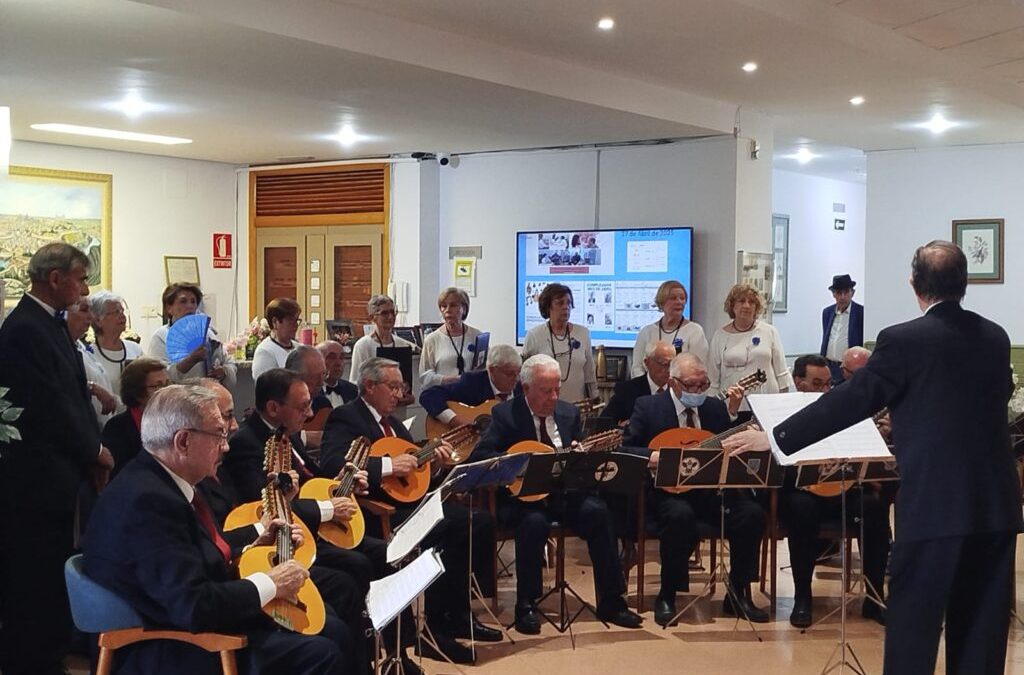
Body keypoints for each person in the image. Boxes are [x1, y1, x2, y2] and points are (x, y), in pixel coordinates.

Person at [723, 241, 1022, 675]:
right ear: (964, 283)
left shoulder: (903, 340)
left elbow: (851, 401)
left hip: (934, 505)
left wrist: (776, 436)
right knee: (981, 637)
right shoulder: (995, 337)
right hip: (995, 505)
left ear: (914, 284)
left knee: (914, 630)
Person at [82, 385, 349, 675]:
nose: (226, 446)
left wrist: (254, 543)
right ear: (183, 441)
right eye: (218, 435)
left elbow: (190, 555)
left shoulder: (159, 482)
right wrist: (272, 583)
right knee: (322, 653)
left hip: (178, 626)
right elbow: (193, 605)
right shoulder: (148, 502)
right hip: (166, 647)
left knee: (329, 624)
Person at [320, 358, 500, 663]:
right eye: (392, 387)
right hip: (377, 511)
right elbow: (333, 464)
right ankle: (435, 627)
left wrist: (437, 465)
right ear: (369, 386)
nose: (399, 394)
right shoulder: (346, 417)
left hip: (409, 505)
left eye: (401, 387)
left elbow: (415, 474)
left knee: (478, 522)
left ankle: (456, 614)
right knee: (449, 528)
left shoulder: (395, 426)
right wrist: (389, 465)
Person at [0, 242, 113, 675]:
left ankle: (47, 655)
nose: (85, 290)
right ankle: (31, 661)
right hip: (36, 482)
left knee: (51, 576)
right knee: (36, 579)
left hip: (58, 476)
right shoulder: (26, 329)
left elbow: (74, 394)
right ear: (55, 279)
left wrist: (91, 452)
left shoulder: (49, 324)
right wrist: (95, 450)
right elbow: (50, 406)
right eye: (81, 279)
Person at [469, 354, 643, 634]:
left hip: (563, 494)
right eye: (545, 391)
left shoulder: (568, 413)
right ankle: (526, 603)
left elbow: (580, 457)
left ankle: (612, 600)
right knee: (533, 523)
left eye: (557, 390)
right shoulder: (505, 414)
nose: (553, 397)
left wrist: (578, 457)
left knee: (598, 513)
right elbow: (481, 456)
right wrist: (520, 463)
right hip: (521, 499)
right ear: (526, 388)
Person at [622, 353, 767, 626]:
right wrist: (653, 457)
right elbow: (626, 449)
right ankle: (667, 595)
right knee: (680, 516)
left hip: (709, 492)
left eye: (703, 384)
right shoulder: (648, 407)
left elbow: (728, 442)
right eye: (691, 385)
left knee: (752, 514)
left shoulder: (713, 408)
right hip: (666, 493)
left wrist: (737, 419)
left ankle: (738, 593)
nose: (699, 391)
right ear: (673, 383)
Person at [773, 354, 890, 628]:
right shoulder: (782, 411)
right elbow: (777, 462)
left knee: (874, 506)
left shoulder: (841, 408)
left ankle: (874, 598)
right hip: (802, 491)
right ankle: (803, 597)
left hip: (843, 488)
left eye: (828, 384)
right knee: (801, 509)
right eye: (817, 384)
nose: (825, 390)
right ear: (798, 382)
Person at [707, 283, 792, 416]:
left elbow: (782, 373)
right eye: (741, 301)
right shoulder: (720, 336)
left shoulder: (769, 331)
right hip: (733, 406)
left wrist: (783, 405)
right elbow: (712, 378)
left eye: (751, 302)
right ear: (732, 305)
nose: (746, 306)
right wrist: (712, 408)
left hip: (767, 403)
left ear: (756, 307)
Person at [147, 282, 236, 386]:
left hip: (211, 393)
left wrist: (224, 372)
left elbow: (229, 363)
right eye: (183, 301)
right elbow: (157, 378)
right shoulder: (161, 337)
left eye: (193, 302)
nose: (190, 306)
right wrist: (189, 361)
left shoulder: (208, 334)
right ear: (169, 308)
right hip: (179, 395)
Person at [521, 283, 596, 402]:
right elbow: (525, 375)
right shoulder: (535, 335)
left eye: (569, 303)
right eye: (560, 303)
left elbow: (589, 373)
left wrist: (594, 397)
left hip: (577, 405)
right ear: (548, 307)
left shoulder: (583, 333)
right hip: (545, 405)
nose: (566, 307)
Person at [420, 344, 522, 429]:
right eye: (510, 374)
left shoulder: (522, 388)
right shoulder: (473, 383)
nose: (516, 378)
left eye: (518, 373)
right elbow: (428, 395)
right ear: (492, 370)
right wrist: (453, 419)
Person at [102, 358, 170, 476]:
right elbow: (121, 475)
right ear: (137, 393)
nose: (167, 391)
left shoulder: (174, 421)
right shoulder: (117, 428)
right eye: (157, 386)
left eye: (168, 384)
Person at [347, 295, 415, 408]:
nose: (390, 317)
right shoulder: (363, 346)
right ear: (372, 317)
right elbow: (355, 383)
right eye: (384, 313)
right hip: (373, 409)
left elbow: (407, 381)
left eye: (393, 312)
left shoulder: (403, 344)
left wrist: (408, 395)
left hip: (398, 409)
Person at [630, 280, 708, 376]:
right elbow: (637, 367)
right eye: (673, 298)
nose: (679, 302)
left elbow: (698, 368)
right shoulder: (647, 332)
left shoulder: (695, 331)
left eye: (682, 298)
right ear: (661, 302)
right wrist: (650, 383)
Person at [67, 297, 119, 427]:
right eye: (84, 310)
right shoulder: (62, 348)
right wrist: (92, 388)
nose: (90, 317)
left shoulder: (80, 346)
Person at [419, 287, 483, 389]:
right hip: (443, 394)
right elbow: (424, 376)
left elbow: (486, 369)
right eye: (444, 306)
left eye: (453, 305)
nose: (448, 310)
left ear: (464, 309)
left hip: (471, 393)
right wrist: (453, 380)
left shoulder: (477, 336)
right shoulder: (432, 340)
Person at [603, 341, 675, 425]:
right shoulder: (627, 391)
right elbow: (604, 423)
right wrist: (623, 427)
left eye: (672, 364)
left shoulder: (678, 388)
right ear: (647, 362)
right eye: (664, 364)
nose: (669, 370)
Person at [89, 290, 144, 397]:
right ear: (98, 320)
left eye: (122, 311)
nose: (122, 316)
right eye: (116, 312)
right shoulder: (90, 355)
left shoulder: (135, 349)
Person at [820, 274, 864, 385]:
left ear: (852, 293)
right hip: (829, 365)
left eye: (846, 292)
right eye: (839, 293)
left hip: (848, 368)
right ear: (834, 294)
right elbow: (826, 337)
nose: (843, 297)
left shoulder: (860, 312)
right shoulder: (827, 312)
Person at [251, 297, 302, 380]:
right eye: (290, 320)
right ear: (275, 322)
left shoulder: (299, 348)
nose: (295, 325)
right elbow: (266, 385)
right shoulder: (265, 352)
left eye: (296, 320)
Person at [317, 340, 358, 407]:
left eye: (341, 358)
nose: (338, 363)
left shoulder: (352, 390)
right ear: (318, 361)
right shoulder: (310, 391)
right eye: (332, 358)